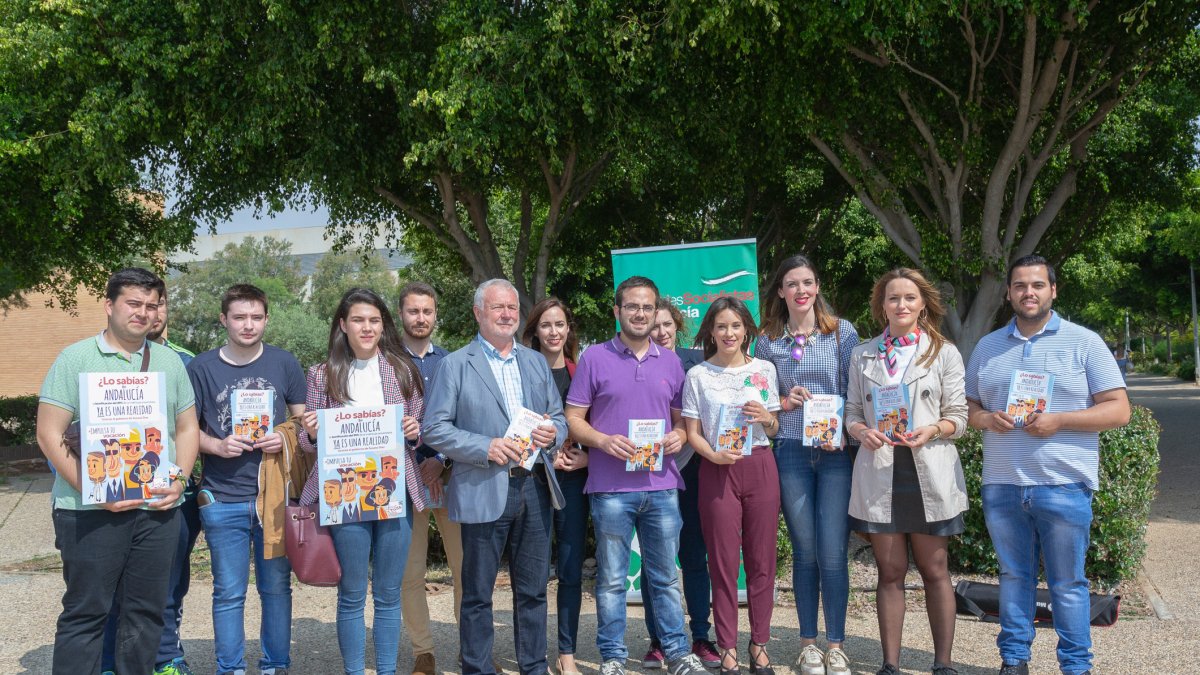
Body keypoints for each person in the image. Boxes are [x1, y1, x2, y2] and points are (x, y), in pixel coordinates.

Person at [965, 256, 1130, 675]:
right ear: (1008, 293)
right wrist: (985, 418)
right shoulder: (988, 346)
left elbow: (1119, 410)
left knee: (1068, 585)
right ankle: (1014, 661)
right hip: (1002, 483)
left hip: (1063, 483)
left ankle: (1076, 666)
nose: (1029, 292)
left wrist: (1060, 420)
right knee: (1013, 578)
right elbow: (967, 407)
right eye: (1020, 286)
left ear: (1053, 290)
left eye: (1038, 285)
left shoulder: (1084, 342)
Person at [36, 267, 199, 675]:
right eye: (133, 303)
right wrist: (94, 490)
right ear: (109, 306)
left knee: (145, 615)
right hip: (88, 513)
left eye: (151, 305)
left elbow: (187, 427)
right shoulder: (74, 358)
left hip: (156, 511)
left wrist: (178, 481)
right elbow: (47, 434)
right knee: (86, 614)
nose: (143, 312)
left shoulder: (169, 362)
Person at [422, 279, 568, 675]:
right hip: (484, 488)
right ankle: (477, 668)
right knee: (477, 594)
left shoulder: (536, 362)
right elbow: (434, 429)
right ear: (478, 313)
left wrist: (555, 432)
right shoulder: (455, 364)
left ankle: (534, 667)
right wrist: (483, 446)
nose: (507, 314)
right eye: (498, 307)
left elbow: (559, 417)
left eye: (512, 307)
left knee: (534, 590)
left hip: (535, 487)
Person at [565, 276, 708, 675]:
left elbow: (683, 423)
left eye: (647, 307)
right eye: (632, 306)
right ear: (617, 311)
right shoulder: (595, 357)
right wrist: (603, 442)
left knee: (664, 578)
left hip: (661, 487)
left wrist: (677, 436)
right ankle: (612, 657)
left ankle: (677, 653)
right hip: (610, 488)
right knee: (611, 580)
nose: (640, 314)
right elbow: (573, 419)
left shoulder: (672, 362)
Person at [843, 269, 969, 675]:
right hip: (880, 471)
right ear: (882, 305)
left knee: (935, 570)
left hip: (928, 470)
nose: (901, 305)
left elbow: (960, 417)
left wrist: (933, 428)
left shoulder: (943, 352)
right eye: (893, 298)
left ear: (922, 304)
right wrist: (861, 430)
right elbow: (852, 413)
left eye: (909, 298)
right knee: (891, 572)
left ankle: (943, 663)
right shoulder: (862, 354)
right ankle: (890, 664)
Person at [297, 288, 428, 675]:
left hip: (394, 494)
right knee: (352, 594)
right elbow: (308, 442)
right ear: (343, 325)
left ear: (383, 324)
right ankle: (355, 671)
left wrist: (412, 429)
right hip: (345, 497)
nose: (366, 327)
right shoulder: (322, 374)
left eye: (373, 320)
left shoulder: (403, 370)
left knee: (388, 594)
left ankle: (386, 670)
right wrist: (311, 431)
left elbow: (419, 431)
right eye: (358, 320)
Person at [186, 284, 307, 675]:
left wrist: (284, 434)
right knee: (228, 593)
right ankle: (230, 669)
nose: (248, 325)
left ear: (266, 319)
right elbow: (186, 430)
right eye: (239, 317)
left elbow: (303, 422)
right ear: (224, 319)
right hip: (222, 497)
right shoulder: (201, 368)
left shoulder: (284, 363)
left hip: (274, 497)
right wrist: (216, 446)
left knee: (275, 590)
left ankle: (275, 665)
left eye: (256, 317)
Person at [754, 254, 858, 675]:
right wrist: (782, 402)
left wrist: (847, 433)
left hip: (835, 453)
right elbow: (765, 409)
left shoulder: (841, 333)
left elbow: (857, 393)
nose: (801, 290)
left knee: (833, 552)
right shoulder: (767, 340)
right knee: (805, 551)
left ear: (817, 287)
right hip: (792, 451)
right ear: (780, 290)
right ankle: (808, 644)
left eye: (808, 282)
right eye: (792, 283)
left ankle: (836, 645)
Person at [681, 297, 782, 674]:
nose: (729, 333)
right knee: (722, 563)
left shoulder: (764, 370)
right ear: (710, 330)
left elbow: (774, 427)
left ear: (746, 330)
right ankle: (727, 647)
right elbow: (693, 433)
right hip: (716, 469)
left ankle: (759, 643)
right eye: (721, 326)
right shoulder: (698, 376)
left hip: (759, 465)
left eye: (736, 326)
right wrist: (714, 455)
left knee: (762, 561)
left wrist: (766, 417)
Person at [642, 297, 720, 669]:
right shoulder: (636, 363)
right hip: (652, 471)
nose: (660, 332)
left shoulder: (697, 364)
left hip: (692, 472)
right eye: (654, 326)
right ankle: (658, 639)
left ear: (677, 326)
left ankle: (701, 636)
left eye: (667, 325)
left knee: (694, 556)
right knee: (656, 562)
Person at [395, 282, 464, 675]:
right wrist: (416, 463)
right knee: (410, 571)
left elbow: (463, 418)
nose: (420, 318)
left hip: (451, 477)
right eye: (413, 311)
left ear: (436, 315)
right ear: (401, 314)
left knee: (466, 568)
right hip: (403, 480)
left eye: (427, 311)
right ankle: (424, 652)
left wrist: (439, 458)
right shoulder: (386, 363)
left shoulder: (454, 362)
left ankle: (469, 646)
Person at [522, 296, 589, 675]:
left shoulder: (581, 372)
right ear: (534, 331)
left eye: (559, 324)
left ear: (568, 330)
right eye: (545, 325)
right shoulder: (521, 372)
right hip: (531, 480)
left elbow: (596, 427)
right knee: (531, 575)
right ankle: (533, 655)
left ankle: (566, 654)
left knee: (570, 571)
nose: (553, 331)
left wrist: (586, 458)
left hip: (574, 480)